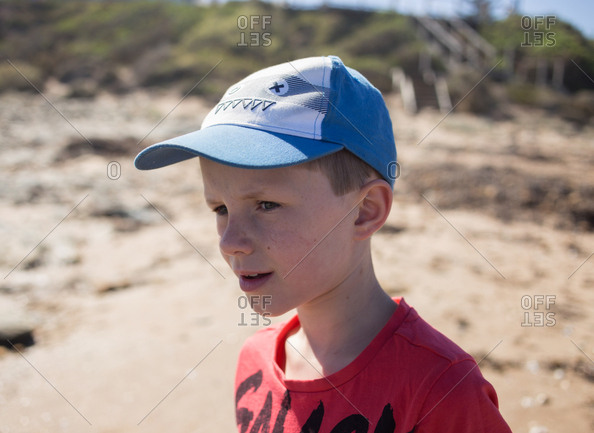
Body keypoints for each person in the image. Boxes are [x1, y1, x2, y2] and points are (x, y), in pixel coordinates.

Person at [135, 56, 512, 433]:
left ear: (365, 211)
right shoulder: (255, 361)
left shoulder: (441, 391)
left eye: (267, 205)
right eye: (220, 208)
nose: (230, 243)